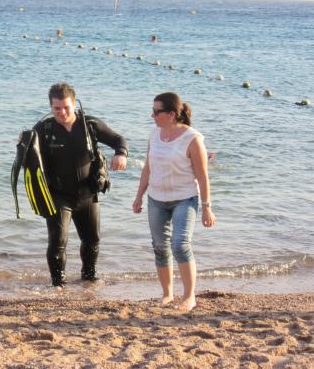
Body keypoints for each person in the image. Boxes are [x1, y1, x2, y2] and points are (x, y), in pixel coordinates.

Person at [33, 83, 128, 287]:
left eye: (66, 107)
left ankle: (89, 277)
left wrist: (121, 154)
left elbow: (118, 139)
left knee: (92, 240)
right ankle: (58, 283)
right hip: (58, 196)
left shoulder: (90, 125)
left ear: (74, 104)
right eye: (57, 108)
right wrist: (23, 147)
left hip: (88, 194)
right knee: (58, 242)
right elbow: (28, 163)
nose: (62, 112)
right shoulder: (43, 129)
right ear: (50, 107)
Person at [132, 92, 216, 311]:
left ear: (171, 114)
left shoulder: (193, 138)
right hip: (156, 199)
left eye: (157, 111)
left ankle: (189, 297)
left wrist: (207, 208)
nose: (153, 115)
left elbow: (202, 175)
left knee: (179, 244)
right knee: (160, 247)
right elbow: (148, 167)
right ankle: (167, 294)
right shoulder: (154, 134)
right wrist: (139, 195)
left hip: (185, 199)